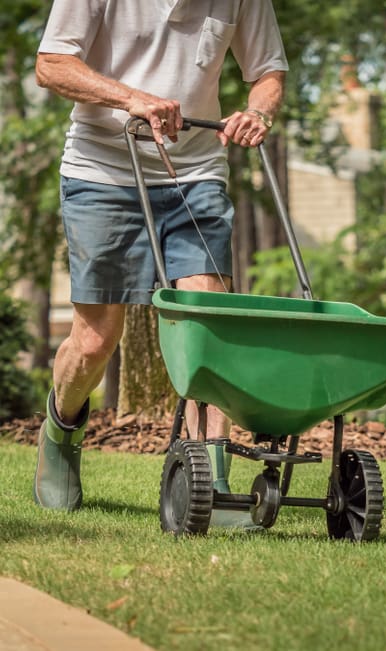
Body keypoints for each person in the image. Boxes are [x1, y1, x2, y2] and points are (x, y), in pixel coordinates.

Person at [33, 0, 288, 511]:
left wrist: (257, 110)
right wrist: (131, 98)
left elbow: (268, 71)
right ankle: (60, 435)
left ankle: (209, 481)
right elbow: (51, 64)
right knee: (95, 341)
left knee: (206, 330)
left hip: (194, 175)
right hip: (101, 170)